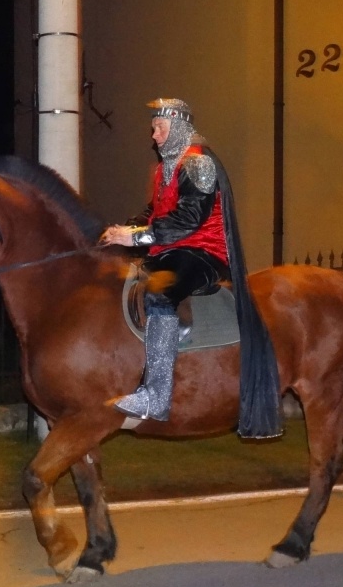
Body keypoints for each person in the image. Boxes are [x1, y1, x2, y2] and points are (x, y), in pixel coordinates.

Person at [100, 98, 283, 438]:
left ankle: (155, 396)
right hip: (171, 249)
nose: (154, 136)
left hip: (203, 252)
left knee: (160, 292)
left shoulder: (198, 164)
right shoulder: (165, 169)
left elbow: (189, 219)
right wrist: (123, 230)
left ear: (179, 128)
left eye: (159, 129)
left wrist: (137, 237)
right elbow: (155, 212)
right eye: (154, 129)